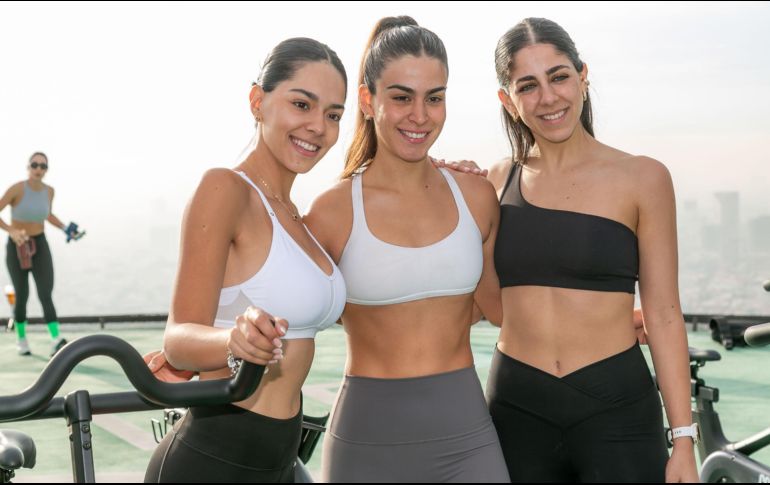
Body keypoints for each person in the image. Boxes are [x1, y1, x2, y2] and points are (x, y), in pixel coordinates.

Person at [483, 18, 699, 482]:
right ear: (508, 99)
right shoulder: (493, 183)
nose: (548, 97)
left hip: (617, 409)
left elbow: (663, 312)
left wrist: (683, 437)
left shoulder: (643, 178)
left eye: (558, 76)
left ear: (582, 76)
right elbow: (492, 306)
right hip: (516, 407)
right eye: (528, 85)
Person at [304, 16, 510, 483]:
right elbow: (288, 319)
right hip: (366, 441)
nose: (420, 115)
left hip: (467, 438)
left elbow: (501, 309)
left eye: (434, 98)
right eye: (401, 97)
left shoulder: (476, 197)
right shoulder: (333, 211)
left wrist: (612, 322)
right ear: (367, 100)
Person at [143, 37, 348, 483]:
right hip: (213, 458)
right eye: (302, 104)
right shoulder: (225, 190)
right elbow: (179, 337)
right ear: (258, 101)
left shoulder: (299, 216)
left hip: (280, 459)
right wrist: (233, 341)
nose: (318, 126)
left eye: (333, 115)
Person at [0, 152, 73, 357]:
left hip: (40, 244)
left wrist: (66, 228)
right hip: (17, 247)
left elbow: (47, 215)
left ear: (46, 169)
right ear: (28, 167)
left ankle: (56, 340)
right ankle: (21, 339)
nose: (39, 169)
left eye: (43, 166)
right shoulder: (16, 189)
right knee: (21, 295)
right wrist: (11, 231)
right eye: (35, 165)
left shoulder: (50, 191)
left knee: (45, 293)